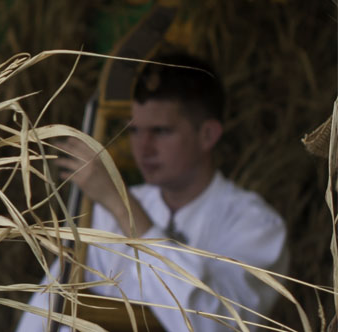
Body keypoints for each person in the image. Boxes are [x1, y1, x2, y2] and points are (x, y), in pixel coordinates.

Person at [15, 53, 287, 331]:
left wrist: (123, 207)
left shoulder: (256, 226)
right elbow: (46, 310)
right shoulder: (103, 217)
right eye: (134, 131)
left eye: (161, 131)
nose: (143, 148)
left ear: (207, 135)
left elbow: (214, 324)